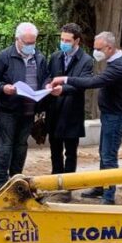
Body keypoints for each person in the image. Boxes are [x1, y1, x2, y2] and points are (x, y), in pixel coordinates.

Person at [49, 31, 122, 205]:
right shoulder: (116, 60)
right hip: (111, 115)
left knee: (109, 156)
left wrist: (64, 79)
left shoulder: (120, 66)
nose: (95, 52)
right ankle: (101, 187)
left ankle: (108, 196)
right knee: (104, 154)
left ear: (109, 48)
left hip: (116, 117)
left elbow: (92, 82)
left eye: (98, 49)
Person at [0, 22, 49, 190]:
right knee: (5, 145)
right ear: (17, 40)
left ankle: (16, 179)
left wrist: (46, 87)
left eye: (33, 42)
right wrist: (3, 88)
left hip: (29, 110)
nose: (30, 46)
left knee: (21, 146)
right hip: (8, 108)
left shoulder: (39, 58)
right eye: (27, 43)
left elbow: (45, 77)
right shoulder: (5, 56)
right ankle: (0, 182)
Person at [44, 23, 94, 200]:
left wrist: (63, 89)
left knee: (70, 152)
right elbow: (49, 77)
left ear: (77, 41)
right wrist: (47, 86)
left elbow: (83, 84)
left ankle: (68, 187)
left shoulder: (86, 60)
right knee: (54, 150)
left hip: (72, 112)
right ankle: (54, 182)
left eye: (67, 40)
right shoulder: (56, 56)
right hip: (54, 110)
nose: (63, 43)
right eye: (62, 39)